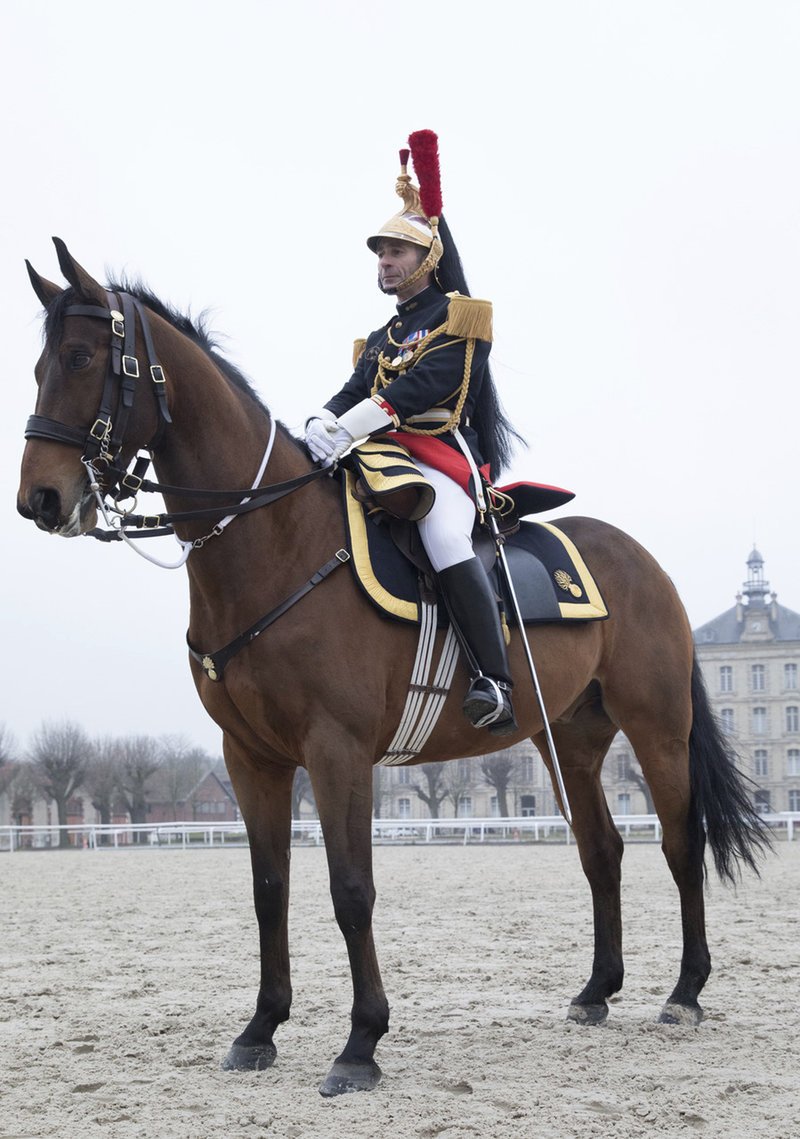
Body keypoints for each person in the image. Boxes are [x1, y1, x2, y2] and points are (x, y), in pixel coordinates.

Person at [305, 131, 520, 736]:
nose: (386, 261)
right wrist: (319, 423)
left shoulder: (459, 319)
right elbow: (351, 393)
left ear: (426, 259)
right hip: (377, 454)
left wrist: (347, 427)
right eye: (381, 253)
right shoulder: (379, 338)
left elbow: (424, 391)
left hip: (440, 459)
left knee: (445, 536)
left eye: (397, 251)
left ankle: (493, 683)